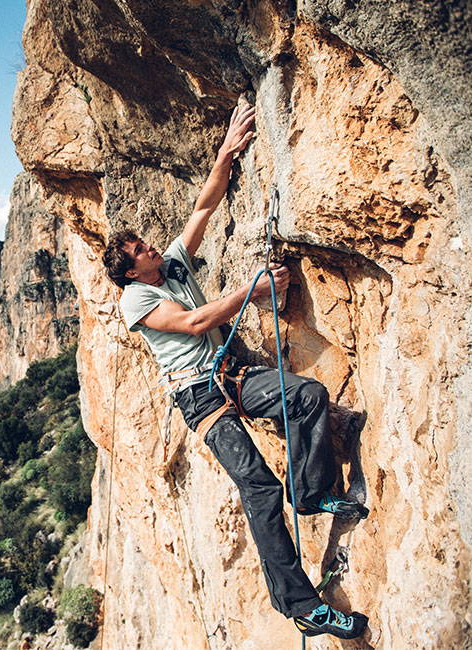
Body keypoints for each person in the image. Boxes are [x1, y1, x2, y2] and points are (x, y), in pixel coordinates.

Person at [101, 104, 369, 640]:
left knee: (309, 395)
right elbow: (196, 321)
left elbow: (204, 207)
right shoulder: (137, 299)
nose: (149, 245)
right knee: (259, 489)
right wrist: (254, 291)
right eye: (139, 250)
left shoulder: (172, 264)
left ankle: (313, 493)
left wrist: (227, 149)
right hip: (200, 397)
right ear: (131, 270)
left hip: (230, 372)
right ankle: (301, 606)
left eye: (144, 243)